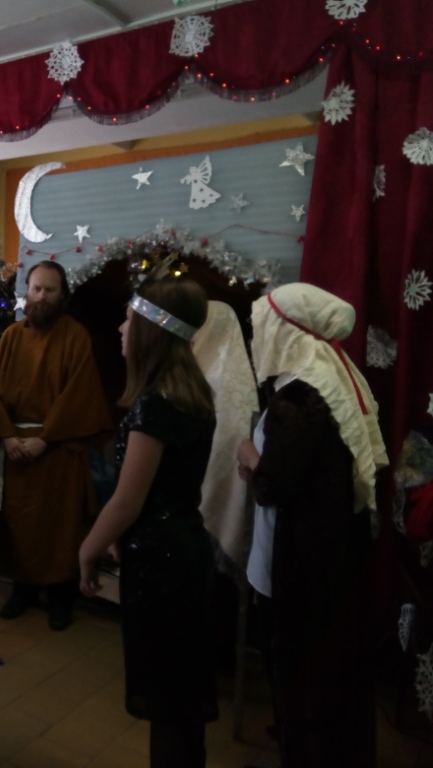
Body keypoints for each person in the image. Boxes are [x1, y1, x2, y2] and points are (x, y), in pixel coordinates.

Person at [235, 283, 388, 768]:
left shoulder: (300, 395)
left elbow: (274, 485)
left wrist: (249, 455)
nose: (257, 338)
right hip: (332, 556)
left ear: (283, 331)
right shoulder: (328, 377)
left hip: (304, 565)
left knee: (305, 675)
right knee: (327, 673)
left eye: (261, 327)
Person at [78, 277, 218, 768]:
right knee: (181, 699)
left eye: (128, 319)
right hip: (183, 547)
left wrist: (87, 550)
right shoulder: (194, 391)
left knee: (168, 699)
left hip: (163, 564)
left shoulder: (157, 403)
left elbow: (127, 501)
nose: (120, 329)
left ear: (152, 331)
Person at [0, 259, 112, 630]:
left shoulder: (76, 337)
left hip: (57, 451)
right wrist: (7, 436)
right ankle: (22, 590)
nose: (41, 296)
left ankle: (60, 599)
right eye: (36, 288)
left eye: (50, 290)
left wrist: (45, 438)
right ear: (27, 291)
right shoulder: (11, 337)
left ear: (62, 294)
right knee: (18, 523)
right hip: (15, 448)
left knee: (59, 525)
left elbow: (79, 397)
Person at [190, 300, 258, 671]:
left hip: (212, 504)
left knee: (213, 589)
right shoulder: (188, 370)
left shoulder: (234, 383)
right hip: (186, 502)